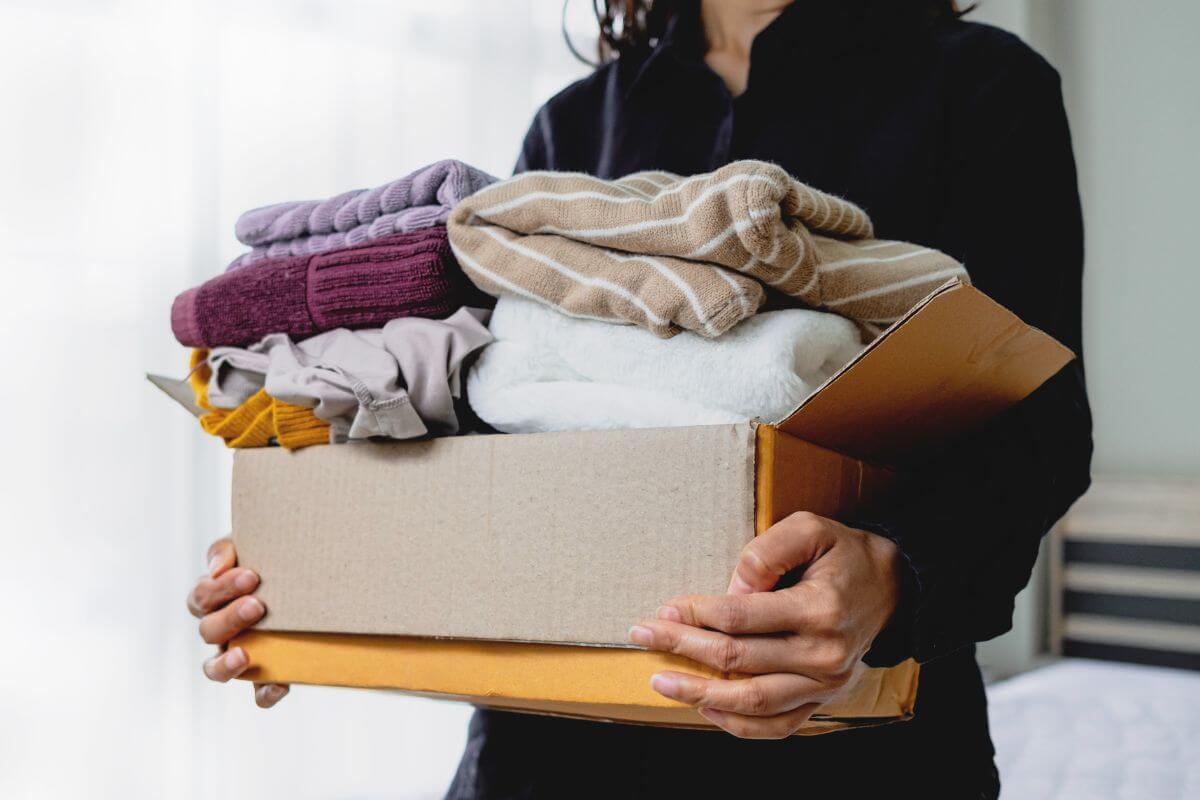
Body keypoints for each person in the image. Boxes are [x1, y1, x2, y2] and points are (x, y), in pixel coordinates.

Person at [187, 1, 1092, 796]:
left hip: (855, 756)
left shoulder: (982, 90)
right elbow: (484, 408)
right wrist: (315, 567)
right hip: (549, 758)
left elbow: (1038, 424)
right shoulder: (572, 128)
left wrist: (896, 576)